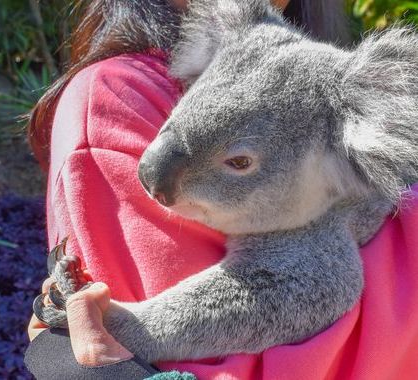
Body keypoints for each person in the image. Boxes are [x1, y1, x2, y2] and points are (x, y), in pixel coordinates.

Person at [25, 0, 418, 379]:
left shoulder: (335, 115)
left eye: (239, 162)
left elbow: (310, 283)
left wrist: (129, 332)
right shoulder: (122, 95)